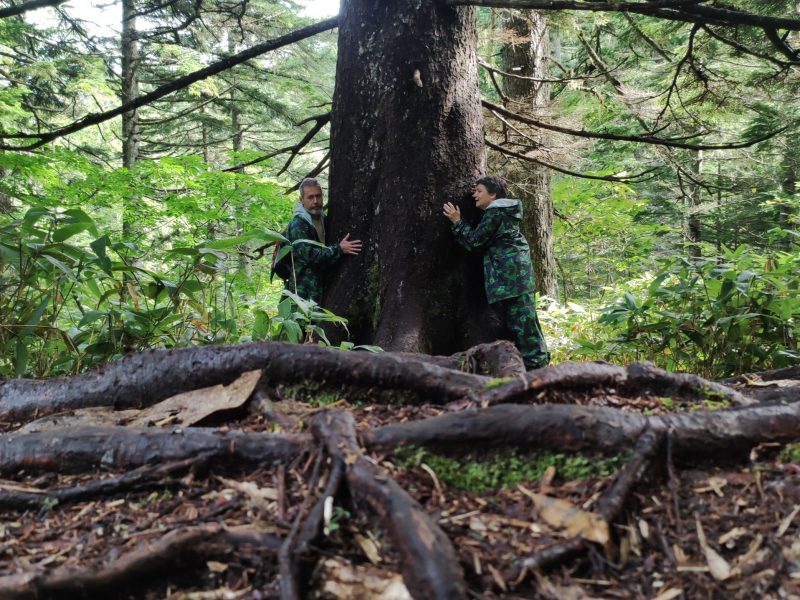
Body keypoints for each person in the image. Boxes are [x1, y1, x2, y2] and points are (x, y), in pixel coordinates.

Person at [443, 175, 550, 370]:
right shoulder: (501, 211)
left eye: (479, 191)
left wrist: (457, 222)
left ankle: (538, 368)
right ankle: (534, 366)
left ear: (493, 194)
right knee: (521, 323)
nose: (473, 194)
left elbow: (475, 241)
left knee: (524, 325)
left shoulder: (496, 211)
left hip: (512, 278)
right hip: (513, 277)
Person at [284, 178, 362, 304]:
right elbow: (309, 256)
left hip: (318, 289)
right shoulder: (298, 223)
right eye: (310, 197)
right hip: (302, 292)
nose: (315, 201)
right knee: (302, 323)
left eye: (318, 196)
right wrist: (339, 249)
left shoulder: (321, 218)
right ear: (301, 200)